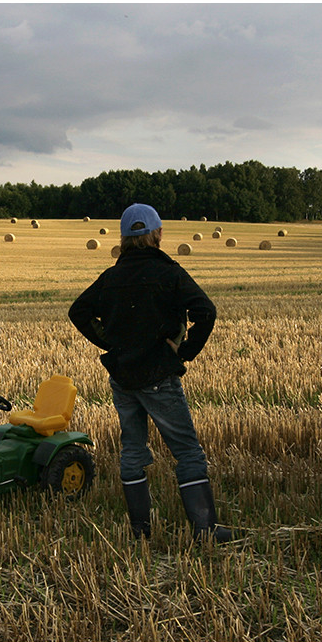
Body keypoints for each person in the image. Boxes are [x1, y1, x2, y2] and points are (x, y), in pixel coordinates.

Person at [68, 203, 235, 543]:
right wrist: (183, 353)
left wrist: (110, 343)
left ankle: (140, 532)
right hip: (158, 375)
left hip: (123, 378)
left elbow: (78, 311)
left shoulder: (111, 277)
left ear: (124, 238)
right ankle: (205, 531)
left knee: (132, 450)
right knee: (187, 452)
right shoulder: (169, 272)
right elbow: (206, 311)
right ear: (157, 234)